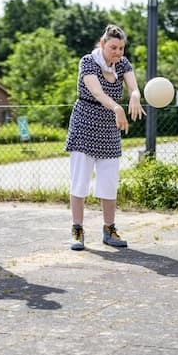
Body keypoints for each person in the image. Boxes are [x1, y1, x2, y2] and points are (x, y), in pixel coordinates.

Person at [64, 24, 145, 251]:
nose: (118, 52)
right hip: (84, 125)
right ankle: (77, 229)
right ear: (103, 44)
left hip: (108, 130)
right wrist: (117, 108)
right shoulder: (87, 62)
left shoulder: (123, 63)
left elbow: (133, 86)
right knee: (79, 181)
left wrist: (135, 96)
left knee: (109, 183)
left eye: (121, 48)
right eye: (113, 48)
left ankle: (109, 229)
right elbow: (98, 93)